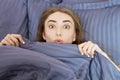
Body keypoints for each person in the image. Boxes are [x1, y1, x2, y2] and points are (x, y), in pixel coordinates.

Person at [0, 7, 103, 58]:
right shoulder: (25, 53)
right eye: (52, 26)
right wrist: (3, 49)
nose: (58, 32)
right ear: (44, 34)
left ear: (74, 36)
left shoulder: (88, 57)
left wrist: (102, 56)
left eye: (66, 26)